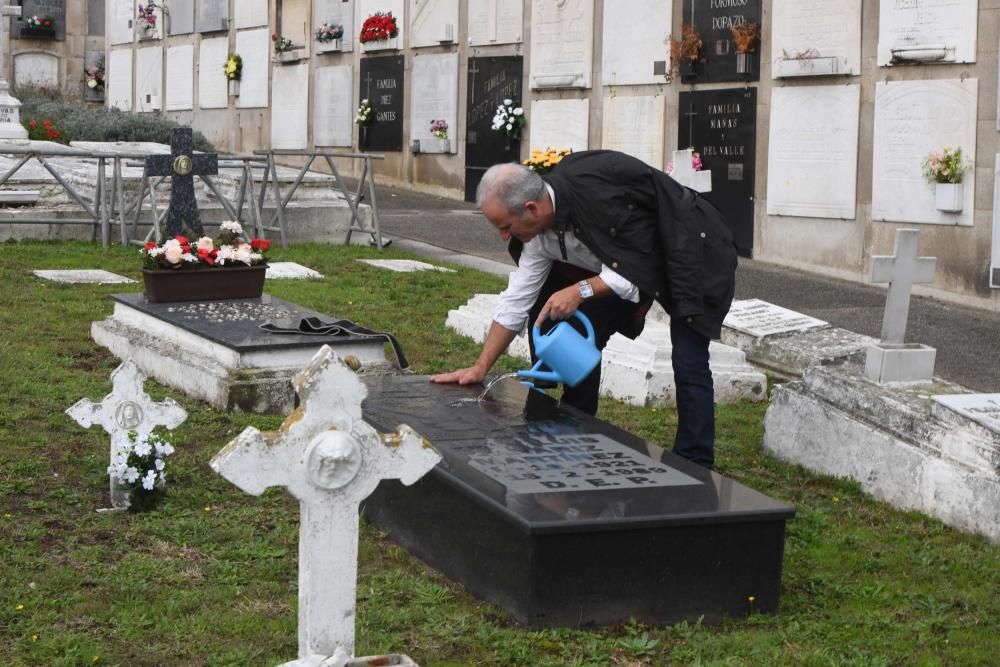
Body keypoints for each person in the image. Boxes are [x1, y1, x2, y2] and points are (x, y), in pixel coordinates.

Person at [430, 150, 738, 468]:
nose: (503, 236)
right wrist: (480, 368)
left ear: (531, 209)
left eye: (505, 226)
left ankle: (695, 462)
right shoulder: (537, 230)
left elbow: (638, 270)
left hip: (692, 249)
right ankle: (572, 436)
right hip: (628, 265)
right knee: (572, 336)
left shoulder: (600, 202)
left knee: (688, 359)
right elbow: (517, 298)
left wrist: (581, 290)